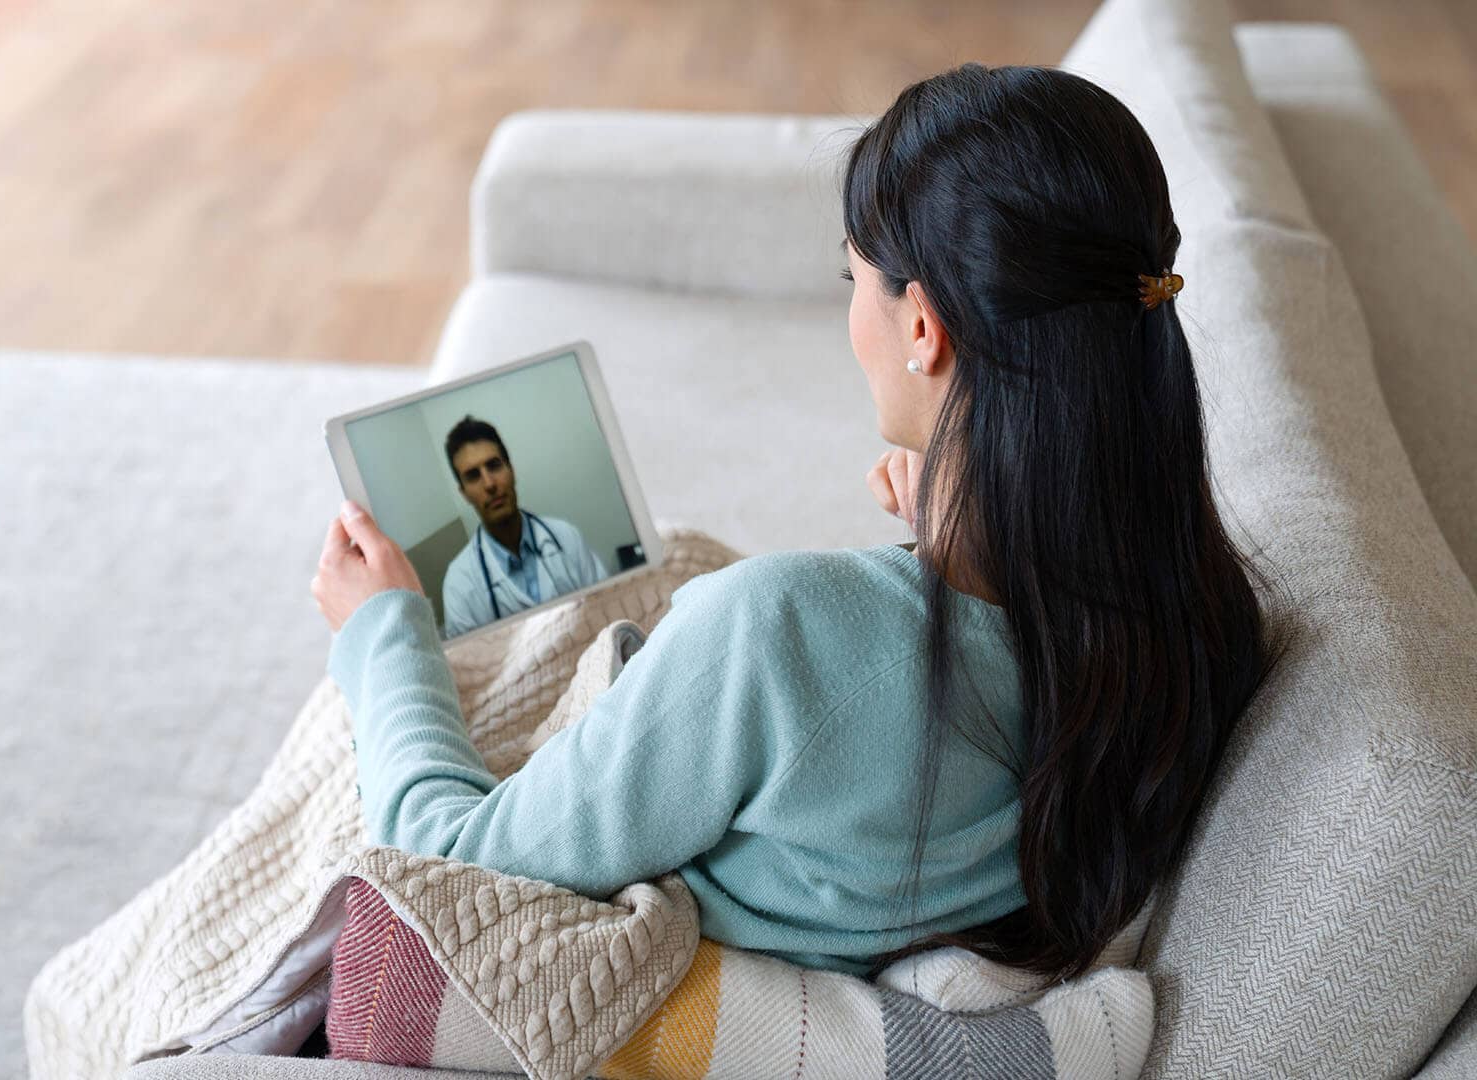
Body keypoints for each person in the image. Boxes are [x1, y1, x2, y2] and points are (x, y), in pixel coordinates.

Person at [309, 62, 1283, 982]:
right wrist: (968, 524)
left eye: (853, 279)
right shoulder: (1197, 619)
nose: (850, 310)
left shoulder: (777, 632)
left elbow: (447, 864)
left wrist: (381, 635)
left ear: (921, 329)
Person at [436, 415, 610, 637]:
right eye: (473, 476)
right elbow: (474, 667)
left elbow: (609, 607)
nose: (489, 484)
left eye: (494, 466)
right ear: (464, 494)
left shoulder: (566, 537)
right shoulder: (459, 584)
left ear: (511, 470)